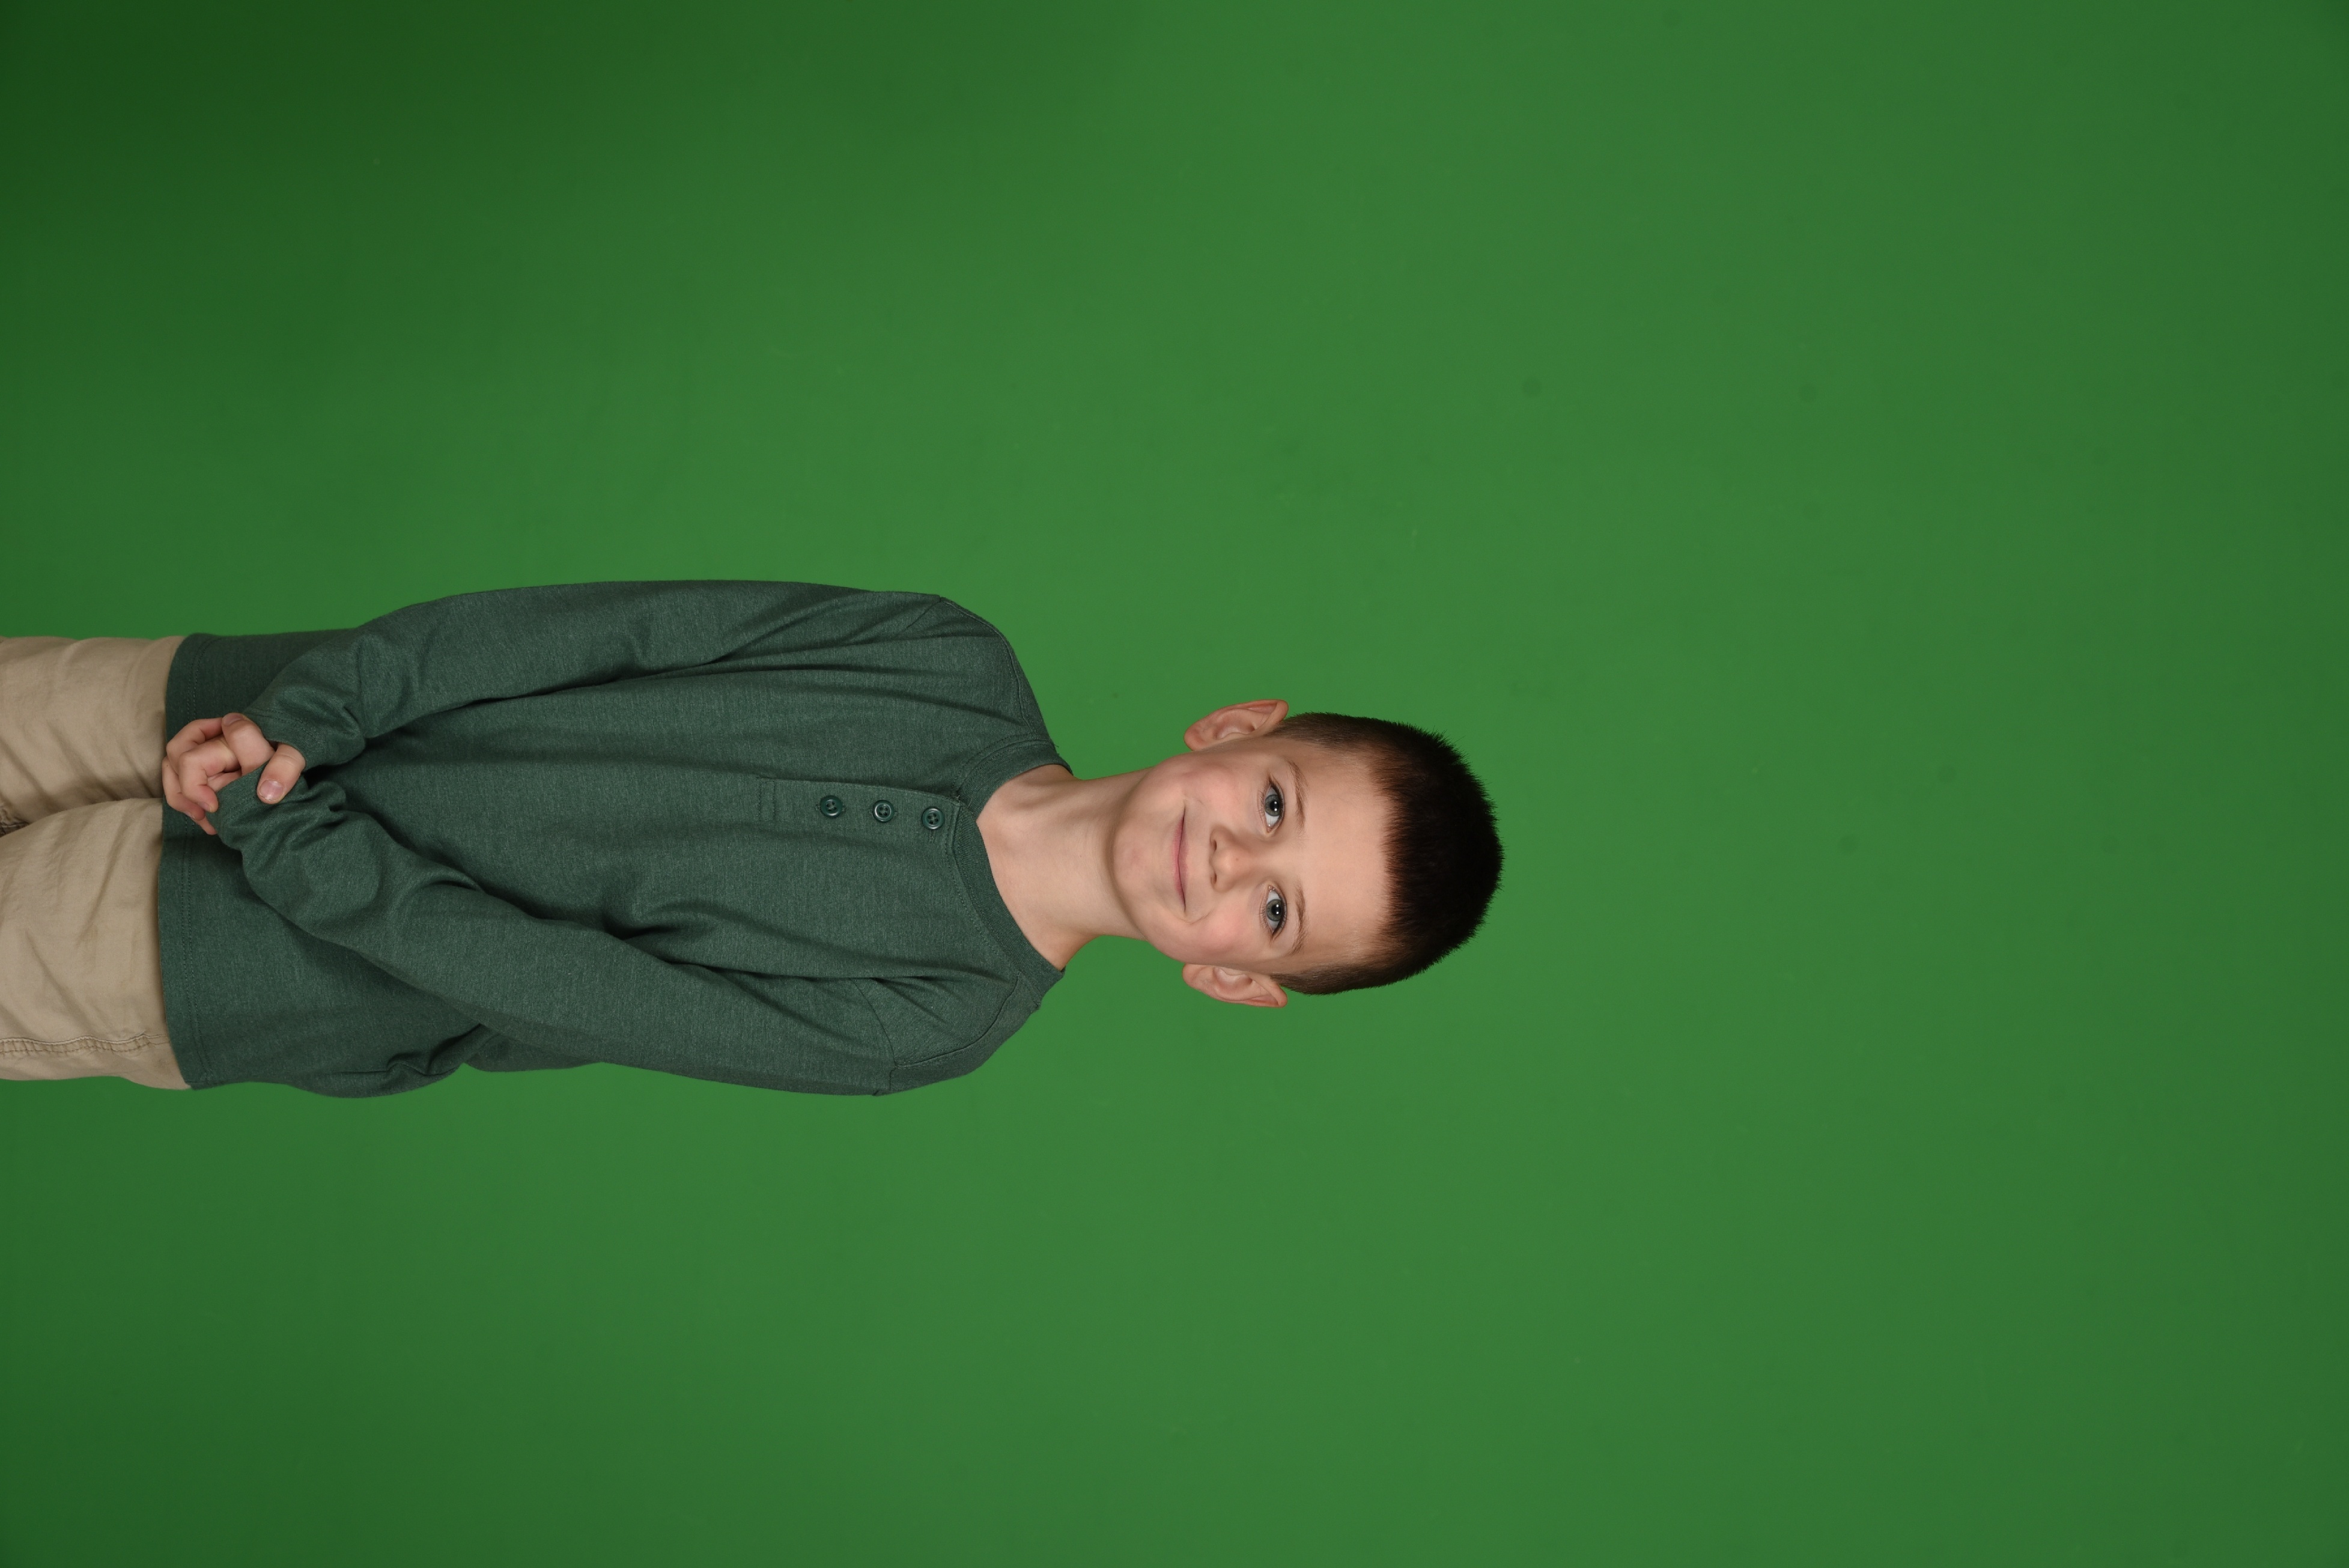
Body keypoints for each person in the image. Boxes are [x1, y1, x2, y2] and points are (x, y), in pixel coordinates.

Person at [0, 582, 1502, 1097]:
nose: (1231, 864)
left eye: (1274, 914)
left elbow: (563, 985)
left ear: (1233, 980)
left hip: (222, 946)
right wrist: (309, 718)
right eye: (1274, 808)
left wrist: (291, 834)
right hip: (243, 702)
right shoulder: (944, 657)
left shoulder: (932, 1019)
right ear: (1235, 730)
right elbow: (600, 631)